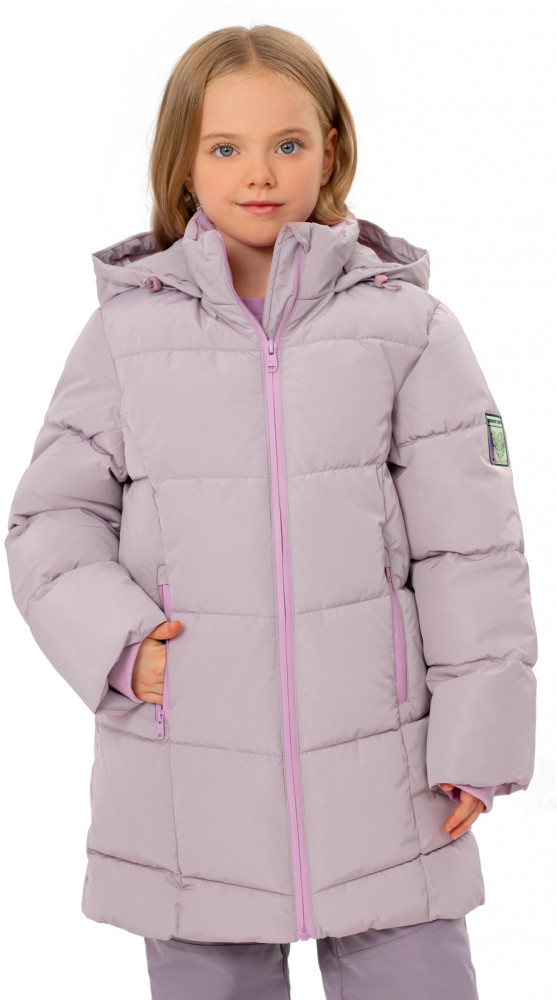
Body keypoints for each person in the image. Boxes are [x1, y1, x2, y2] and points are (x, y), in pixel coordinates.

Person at [4, 22, 537, 1000]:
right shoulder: (124, 337)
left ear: (329, 148)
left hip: (387, 772)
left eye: (286, 143)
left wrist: (477, 738)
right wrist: (122, 645)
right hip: (191, 785)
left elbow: (470, 551)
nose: (258, 172)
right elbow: (51, 521)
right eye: (224, 147)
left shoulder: (406, 329)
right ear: (183, 161)